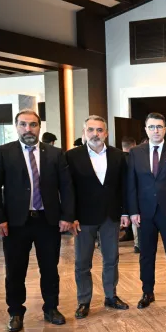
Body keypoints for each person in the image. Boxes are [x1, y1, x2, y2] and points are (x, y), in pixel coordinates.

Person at [0, 109, 74, 332]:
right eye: (23, 124)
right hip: (15, 224)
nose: (28, 129)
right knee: (15, 270)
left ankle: (51, 308)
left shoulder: (55, 153)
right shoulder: (3, 152)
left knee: (50, 269)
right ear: (16, 127)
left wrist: (67, 216)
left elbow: (66, 187)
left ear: (39, 127)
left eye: (33, 125)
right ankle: (15, 312)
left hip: (48, 221)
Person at [66, 116, 131, 318]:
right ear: (84, 132)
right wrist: (70, 216)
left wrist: (125, 212)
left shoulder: (118, 155)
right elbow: (67, 189)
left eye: (100, 130)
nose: (95, 134)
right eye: (91, 130)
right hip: (83, 218)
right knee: (82, 262)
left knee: (111, 259)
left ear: (106, 133)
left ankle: (111, 296)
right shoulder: (71, 156)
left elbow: (124, 186)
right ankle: (83, 301)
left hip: (111, 216)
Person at [127, 112, 166, 308]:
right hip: (144, 213)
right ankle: (147, 292)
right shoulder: (135, 152)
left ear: (165, 129)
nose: (156, 130)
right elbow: (131, 184)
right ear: (146, 129)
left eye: (159, 127)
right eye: (152, 127)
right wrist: (133, 211)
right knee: (146, 254)